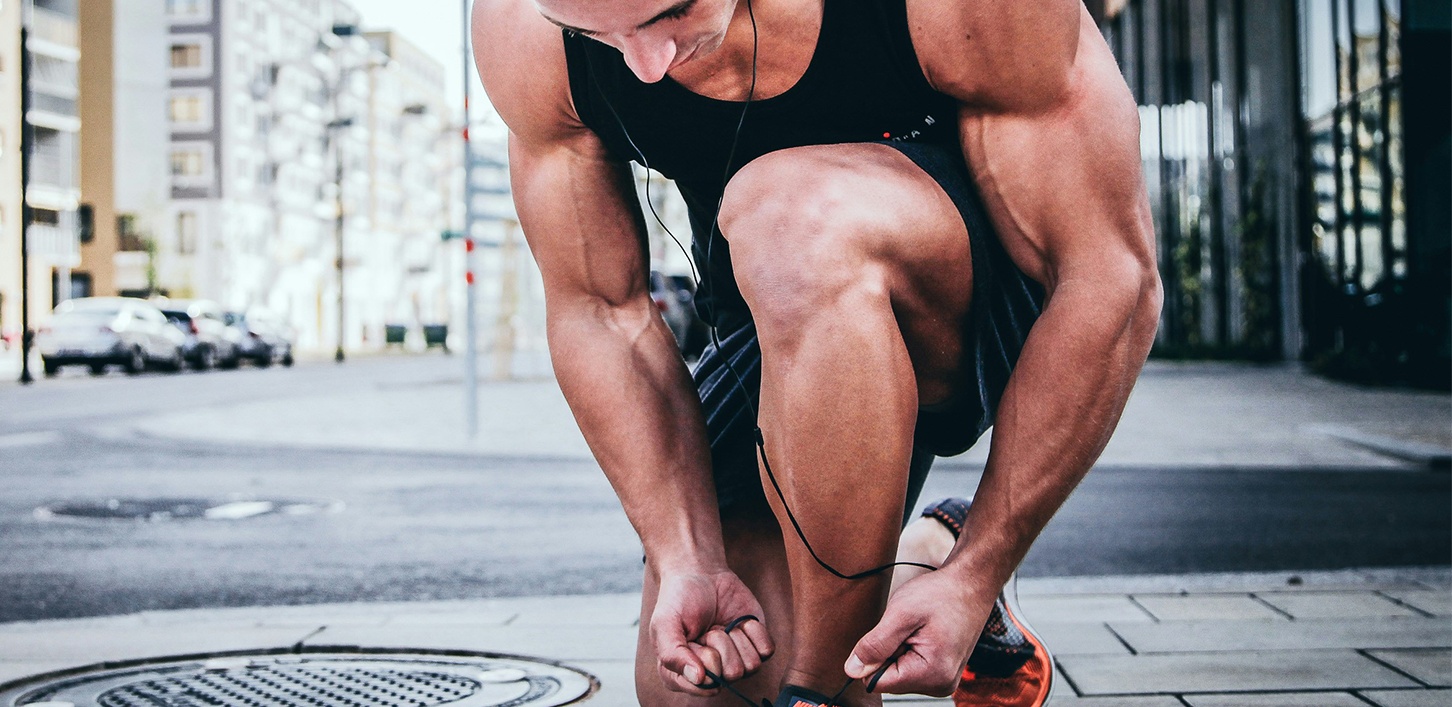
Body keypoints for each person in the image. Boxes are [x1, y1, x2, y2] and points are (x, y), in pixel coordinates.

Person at [471, 0, 1161, 705]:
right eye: (592, 34)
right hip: (770, 314)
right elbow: (600, 311)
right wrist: (686, 554)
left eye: (672, 12)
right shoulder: (524, 30)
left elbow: (1109, 277)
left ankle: (831, 689)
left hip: (977, 305)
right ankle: (920, 559)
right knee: (705, 682)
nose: (645, 66)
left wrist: (978, 571)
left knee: (791, 218)